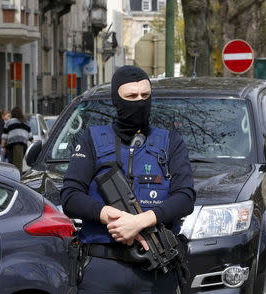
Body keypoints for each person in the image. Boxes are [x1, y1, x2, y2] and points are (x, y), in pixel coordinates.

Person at [60, 66, 195, 293]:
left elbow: (185, 197)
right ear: (116, 99)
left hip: (156, 270)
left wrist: (141, 222)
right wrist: (110, 216)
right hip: (103, 267)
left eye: (145, 95)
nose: (139, 102)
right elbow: (70, 196)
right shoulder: (91, 139)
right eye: (131, 96)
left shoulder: (171, 141)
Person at [1, 106, 32, 171]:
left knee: (11, 164)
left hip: (11, 146)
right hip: (23, 146)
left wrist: (3, 147)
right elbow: (30, 137)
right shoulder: (26, 123)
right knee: (19, 164)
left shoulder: (9, 122)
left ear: (12, 113)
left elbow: (4, 137)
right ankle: (18, 177)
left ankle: (12, 177)